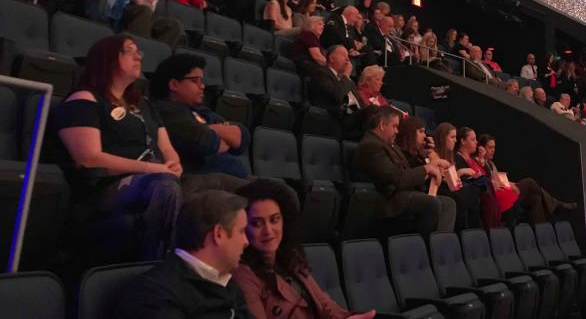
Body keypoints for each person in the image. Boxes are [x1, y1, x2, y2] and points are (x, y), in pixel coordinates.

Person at [53, 35, 183, 260]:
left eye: (138, 52)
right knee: (165, 187)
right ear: (108, 58)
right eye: (129, 51)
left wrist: (173, 163)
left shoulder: (144, 104)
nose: (138, 56)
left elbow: (167, 148)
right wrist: (154, 170)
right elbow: (89, 159)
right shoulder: (84, 99)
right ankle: (158, 268)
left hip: (157, 178)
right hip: (105, 188)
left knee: (217, 189)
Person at [234, 179, 376, 319]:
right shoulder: (242, 274)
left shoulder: (290, 256)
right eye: (257, 223)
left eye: (274, 220)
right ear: (242, 227)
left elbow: (324, 304)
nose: (268, 231)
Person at [115, 190, 250, 319]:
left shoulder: (228, 283)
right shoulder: (152, 293)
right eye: (242, 231)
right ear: (219, 233)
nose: (246, 242)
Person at [353, 106, 456, 237]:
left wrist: (424, 156)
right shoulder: (371, 146)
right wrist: (427, 168)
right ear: (382, 125)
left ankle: (441, 248)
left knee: (448, 204)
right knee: (431, 203)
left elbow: (406, 170)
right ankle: (423, 249)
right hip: (386, 198)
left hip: (401, 193)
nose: (397, 131)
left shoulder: (390, 144)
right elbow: (397, 178)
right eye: (394, 126)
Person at [150, 53, 250, 179]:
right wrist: (221, 134)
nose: (202, 86)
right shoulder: (164, 110)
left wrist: (205, 128)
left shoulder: (200, 110)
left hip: (228, 180)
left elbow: (242, 137)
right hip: (198, 182)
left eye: (201, 81)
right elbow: (203, 141)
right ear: (174, 84)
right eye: (194, 81)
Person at [478, 134, 576, 224]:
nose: (493, 150)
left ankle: (539, 232)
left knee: (535, 198)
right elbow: (491, 183)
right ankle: (556, 204)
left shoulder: (491, 164)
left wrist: (512, 184)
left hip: (506, 191)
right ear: (481, 148)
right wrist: (510, 185)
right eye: (490, 147)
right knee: (530, 182)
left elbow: (502, 181)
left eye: (494, 147)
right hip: (499, 198)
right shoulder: (480, 163)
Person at [455, 126, 517, 227]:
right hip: (475, 190)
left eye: (476, 140)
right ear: (463, 141)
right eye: (473, 139)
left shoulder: (472, 159)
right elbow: (464, 179)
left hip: (486, 188)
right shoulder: (458, 158)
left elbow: (487, 175)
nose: (476, 142)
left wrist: (483, 163)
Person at [431, 123, 483, 230]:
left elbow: (453, 179)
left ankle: (472, 233)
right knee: (460, 198)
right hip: (437, 187)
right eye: (452, 137)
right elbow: (442, 178)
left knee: (471, 194)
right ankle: (461, 234)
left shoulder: (449, 156)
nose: (455, 140)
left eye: (455, 137)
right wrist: (460, 173)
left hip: (448, 186)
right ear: (443, 138)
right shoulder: (433, 154)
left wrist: (457, 178)